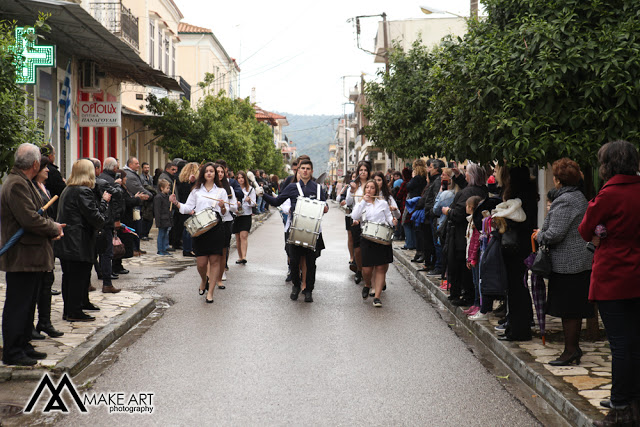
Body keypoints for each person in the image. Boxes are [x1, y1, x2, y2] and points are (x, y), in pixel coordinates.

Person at [579, 140, 640, 427]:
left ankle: (619, 407)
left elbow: (584, 230)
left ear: (608, 166)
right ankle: (632, 400)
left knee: (620, 345)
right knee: (635, 343)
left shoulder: (608, 194)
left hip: (613, 276)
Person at [1, 144, 65, 366]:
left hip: (31, 255)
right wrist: (53, 228)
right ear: (36, 164)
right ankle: (13, 351)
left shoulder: (23, 182)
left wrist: (51, 227)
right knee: (18, 304)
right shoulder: (17, 184)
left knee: (27, 305)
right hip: (22, 256)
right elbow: (29, 219)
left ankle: (24, 345)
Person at [532, 158, 593, 365]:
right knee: (572, 310)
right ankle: (572, 349)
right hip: (576, 262)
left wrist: (539, 235)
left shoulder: (567, 200)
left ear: (558, 180)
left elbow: (555, 233)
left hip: (570, 265)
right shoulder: (577, 197)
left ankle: (571, 351)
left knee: (570, 311)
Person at [263, 159, 328, 303]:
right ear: (298, 171)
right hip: (294, 230)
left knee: (311, 263)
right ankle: (296, 286)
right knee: (293, 261)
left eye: (307, 168)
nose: (305, 171)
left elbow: (325, 205)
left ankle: (309, 290)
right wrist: (262, 195)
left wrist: (326, 208)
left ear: (311, 171)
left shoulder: (318, 189)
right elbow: (276, 202)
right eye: (302, 168)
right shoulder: (292, 187)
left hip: (313, 231)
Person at [55, 159, 110, 322]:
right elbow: (96, 218)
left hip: (68, 241)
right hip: (78, 242)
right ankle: (74, 311)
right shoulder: (83, 191)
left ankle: (70, 309)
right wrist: (104, 204)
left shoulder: (68, 189)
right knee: (78, 278)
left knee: (69, 277)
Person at [170, 162, 228, 304]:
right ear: (203, 174)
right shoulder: (196, 191)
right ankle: (204, 280)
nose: (209, 173)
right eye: (206, 171)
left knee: (214, 261)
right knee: (201, 263)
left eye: (211, 171)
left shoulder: (221, 192)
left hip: (216, 228)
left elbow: (225, 214)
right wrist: (176, 203)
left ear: (215, 174)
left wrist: (223, 206)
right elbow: (188, 208)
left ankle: (211, 293)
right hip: (200, 230)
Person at [493, 165, 536, 341]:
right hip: (522, 246)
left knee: (516, 288)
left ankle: (518, 329)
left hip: (515, 246)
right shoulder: (530, 194)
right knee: (519, 287)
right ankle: (516, 326)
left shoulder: (519, 199)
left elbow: (517, 221)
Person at [441, 163, 488, 307]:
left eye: (467, 172)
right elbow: (467, 187)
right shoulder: (481, 189)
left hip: (462, 235)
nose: (465, 174)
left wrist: (448, 211)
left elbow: (459, 213)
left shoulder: (468, 193)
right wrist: (458, 175)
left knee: (463, 266)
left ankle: (466, 296)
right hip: (466, 234)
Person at [30, 156, 64, 339]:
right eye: (45, 168)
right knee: (37, 286)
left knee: (47, 283)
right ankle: (31, 326)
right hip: (38, 244)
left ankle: (45, 321)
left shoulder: (46, 188)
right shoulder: (32, 188)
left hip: (48, 242)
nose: (48, 171)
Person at [350, 179, 396, 307]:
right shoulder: (361, 203)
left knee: (381, 267)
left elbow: (388, 219)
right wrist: (363, 201)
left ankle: (377, 297)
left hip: (381, 237)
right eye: (367, 188)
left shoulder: (382, 203)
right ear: (364, 190)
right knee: (367, 269)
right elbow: (354, 215)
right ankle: (367, 284)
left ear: (376, 190)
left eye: (372, 188)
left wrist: (393, 222)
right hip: (367, 237)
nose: (369, 190)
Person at [96, 157, 123, 293]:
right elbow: (117, 198)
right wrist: (118, 184)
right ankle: (107, 282)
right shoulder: (104, 182)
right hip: (105, 221)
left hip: (101, 220)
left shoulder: (99, 180)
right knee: (106, 252)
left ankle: (102, 276)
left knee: (98, 252)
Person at [345, 161, 372, 284]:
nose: (363, 172)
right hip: (356, 220)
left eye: (365, 170)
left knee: (369, 247)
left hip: (370, 220)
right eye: (360, 170)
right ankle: (359, 270)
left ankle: (369, 271)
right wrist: (352, 190)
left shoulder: (372, 185)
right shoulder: (354, 185)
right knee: (358, 247)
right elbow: (349, 202)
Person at [215, 163, 238, 288]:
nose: (219, 174)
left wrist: (227, 205)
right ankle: (212, 273)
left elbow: (234, 206)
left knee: (224, 249)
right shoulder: (209, 188)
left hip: (226, 220)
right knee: (213, 249)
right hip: (213, 221)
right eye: (217, 171)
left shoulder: (229, 189)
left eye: (221, 172)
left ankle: (222, 271)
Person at [123, 158, 151, 254]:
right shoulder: (129, 175)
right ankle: (134, 248)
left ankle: (136, 247)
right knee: (135, 226)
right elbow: (137, 188)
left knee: (138, 225)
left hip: (136, 202)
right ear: (130, 165)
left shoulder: (132, 173)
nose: (139, 165)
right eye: (136, 163)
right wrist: (149, 195)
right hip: (134, 203)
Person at [463, 196, 483, 318]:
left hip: (474, 257)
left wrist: (472, 258)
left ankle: (479, 304)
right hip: (470, 256)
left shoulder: (475, 223)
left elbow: (475, 242)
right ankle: (476, 303)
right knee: (475, 282)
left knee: (477, 282)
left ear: (470, 207)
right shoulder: (471, 221)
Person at [176, 162, 200, 257]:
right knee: (189, 230)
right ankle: (188, 249)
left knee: (186, 229)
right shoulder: (190, 184)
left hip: (183, 205)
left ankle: (188, 249)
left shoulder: (181, 181)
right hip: (188, 207)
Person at [406, 160, 428, 261]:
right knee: (420, 230)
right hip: (422, 202)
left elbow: (408, 187)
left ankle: (420, 252)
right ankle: (421, 252)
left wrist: (412, 177)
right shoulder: (425, 177)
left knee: (418, 229)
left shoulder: (416, 178)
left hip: (416, 203)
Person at [233, 171, 256, 264]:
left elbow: (254, 204)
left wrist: (249, 201)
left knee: (244, 236)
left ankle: (244, 256)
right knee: (237, 237)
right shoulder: (234, 189)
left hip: (246, 215)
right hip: (237, 215)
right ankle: (240, 257)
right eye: (238, 178)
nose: (240, 179)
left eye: (242, 177)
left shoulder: (250, 189)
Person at [41, 144, 65, 221]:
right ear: (50, 156)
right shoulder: (53, 172)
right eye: (54, 154)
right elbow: (62, 190)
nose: (47, 170)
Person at [154, 179, 172, 255]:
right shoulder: (158, 197)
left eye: (169, 188)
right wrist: (157, 222)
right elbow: (157, 210)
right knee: (161, 234)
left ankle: (164, 249)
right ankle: (160, 249)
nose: (169, 190)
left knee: (165, 234)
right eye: (167, 188)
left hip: (167, 218)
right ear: (162, 188)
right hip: (162, 219)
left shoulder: (167, 197)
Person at [139, 162, 155, 241]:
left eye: (148, 167)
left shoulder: (150, 177)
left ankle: (146, 233)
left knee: (150, 218)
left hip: (150, 200)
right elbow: (144, 187)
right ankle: (143, 234)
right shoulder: (141, 178)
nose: (147, 169)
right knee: (144, 218)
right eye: (145, 168)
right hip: (144, 200)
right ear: (142, 169)